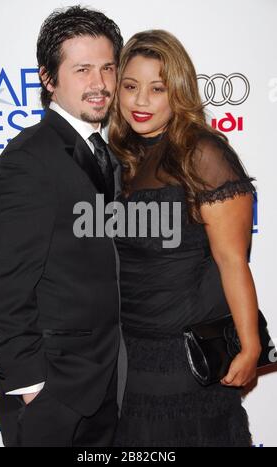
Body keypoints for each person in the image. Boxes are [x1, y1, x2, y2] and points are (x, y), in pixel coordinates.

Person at [109, 30, 261, 447]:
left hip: (185, 360)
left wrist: (249, 347)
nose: (140, 101)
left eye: (157, 89)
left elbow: (232, 260)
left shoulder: (202, 153)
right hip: (130, 356)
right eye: (131, 86)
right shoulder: (122, 158)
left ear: (178, 92)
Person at [0, 6, 123, 447]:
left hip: (108, 383)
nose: (99, 84)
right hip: (56, 393)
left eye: (107, 68)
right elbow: (7, 291)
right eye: (81, 70)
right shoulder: (29, 160)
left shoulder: (107, 153)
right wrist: (32, 389)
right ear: (48, 78)